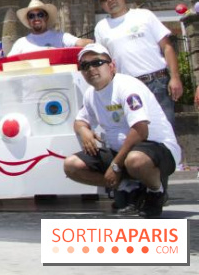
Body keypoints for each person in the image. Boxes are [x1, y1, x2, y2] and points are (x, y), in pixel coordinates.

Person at [63, 44, 180, 218]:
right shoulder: (91, 94)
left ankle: (156, 191)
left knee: (136, 161)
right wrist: (84, 130)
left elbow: (141, 131)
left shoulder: (127, 87)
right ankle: (127, 187)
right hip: (121, 153)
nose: (91, 69)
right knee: (71, 165)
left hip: (156, 149)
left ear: (112, 66)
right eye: (85, 66)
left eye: (97, 62)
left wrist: (115, 166)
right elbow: (80, 120)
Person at [94, 0, 182, 130]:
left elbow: (167, 47)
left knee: (165, 131)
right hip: (128, 87)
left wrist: (175, 77)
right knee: (137, 134)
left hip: (157, 83)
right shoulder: (101, 28)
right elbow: (103, 62)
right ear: (101, 5)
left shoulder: (144, 15)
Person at [6, 0, 92, 56]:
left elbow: (80, 43)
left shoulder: (60, 37)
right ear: (28, 20)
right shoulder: (20, 43)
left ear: (46, 17)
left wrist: (98, 42)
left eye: (40, 15)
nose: (36, 18)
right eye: (31, 16)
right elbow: (7, 63)